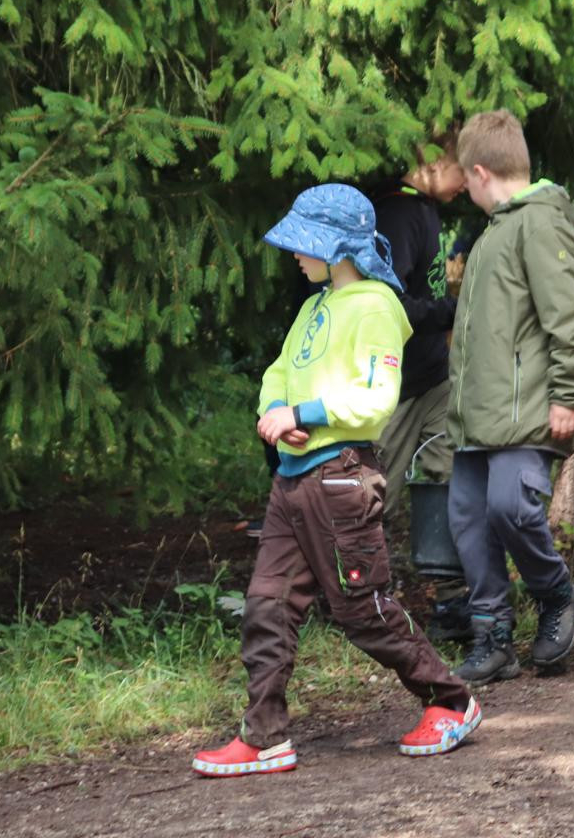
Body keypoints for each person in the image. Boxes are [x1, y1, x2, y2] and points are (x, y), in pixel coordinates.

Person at [192, 186, 479, 777]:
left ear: (338, 248)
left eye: (305, 244)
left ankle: (451, 701)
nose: (295, 255)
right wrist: (275, 412)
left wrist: (304, 414)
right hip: (293, 482)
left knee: (363, 611)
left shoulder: (376, 307)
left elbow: (375, 398)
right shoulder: (315, 306)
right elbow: (279, 370)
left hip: (341, 481)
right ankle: (264, 737)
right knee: (266, 607)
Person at [446, 111, 574, 684]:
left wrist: (568, 395)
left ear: (480, 172)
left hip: (526, 411)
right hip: (476, 417)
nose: (464, 188)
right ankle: (493, 637)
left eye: (465, 178)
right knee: (468, 520)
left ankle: (556, 594)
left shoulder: (539, 223)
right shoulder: (494, 232)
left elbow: (570, 316)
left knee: (511, 507)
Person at [367, 138, 472, 642]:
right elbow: (390, 304)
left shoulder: (426, 210)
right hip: (397, 385)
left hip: (435, 377)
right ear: (434, 161)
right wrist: (454, 310)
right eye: (462, 170)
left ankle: (453, 600)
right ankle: (360, 598)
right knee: (374, 494)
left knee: (447, 474)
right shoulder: (397, 215)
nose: (467, 184)